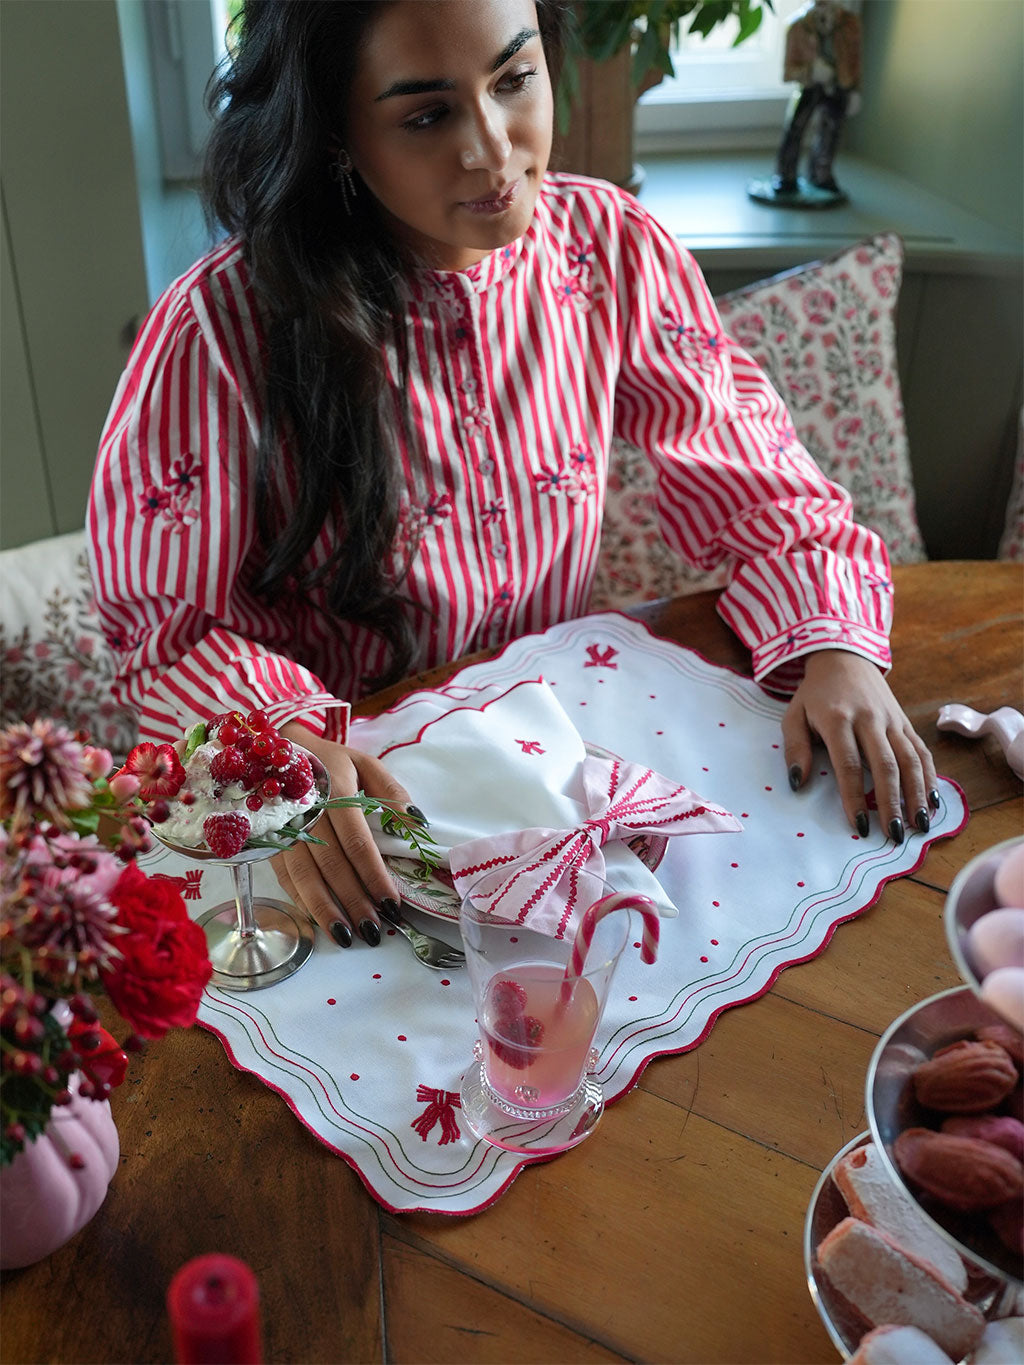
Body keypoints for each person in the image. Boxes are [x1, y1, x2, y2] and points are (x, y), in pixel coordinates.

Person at [87, 0, 937, 954]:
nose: (492, 148)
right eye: (425, 115)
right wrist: (285, 755)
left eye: (514, 79)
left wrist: (836, 649)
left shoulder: (612, 248)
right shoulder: (218, 331)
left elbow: (757, 479)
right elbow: (161, 634)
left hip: (565, 767)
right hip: (350, 825)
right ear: (335, 134)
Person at [772, 0, 862, 198]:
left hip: (837, 86)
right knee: (795, 128)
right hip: (809, 86)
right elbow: (788, 72)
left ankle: (821, 175)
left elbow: (854, 60)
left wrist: (854, 90)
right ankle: (786, 175)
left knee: (831, 132)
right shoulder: (797, 26)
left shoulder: (849, 24)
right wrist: (811, 71)